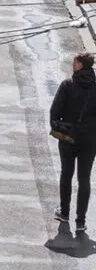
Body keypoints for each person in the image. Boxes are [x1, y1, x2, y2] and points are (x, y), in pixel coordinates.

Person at [50, 52, 96, 232]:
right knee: (84, 178)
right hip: (90, 139)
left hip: (69, 137)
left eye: (75, 61)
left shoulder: (67, 85)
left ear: (80, 64)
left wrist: (58, 126)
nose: (72, 63)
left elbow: (54, 112)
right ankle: (81, 221)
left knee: (66, 174)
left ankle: (64, 212)